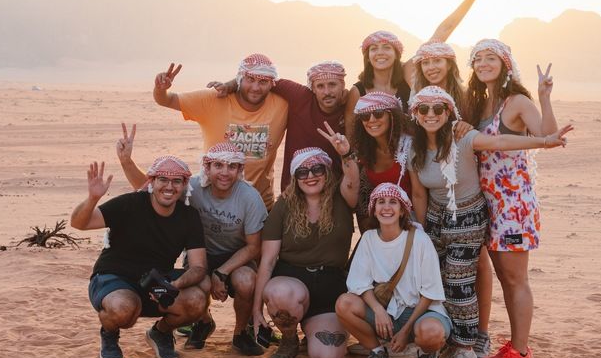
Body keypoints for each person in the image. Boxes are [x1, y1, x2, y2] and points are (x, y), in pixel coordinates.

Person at [406, 86, 571, 358]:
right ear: (416, 115)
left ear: (448, 114)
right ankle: (446, 344)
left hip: (468, 217)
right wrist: (423, 233)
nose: (430, 115)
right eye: (423, 110)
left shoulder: (464, 139)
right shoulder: (415, 150)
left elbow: (501, 141)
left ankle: (466, 349)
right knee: (439, 282)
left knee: (460, 282)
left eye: (437, 109)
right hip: (435, 218)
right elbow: (419, 195)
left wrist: (545, 141)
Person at [116, 129, 268, 356]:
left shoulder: (250, 197)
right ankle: (202, 322)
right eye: (218, 166)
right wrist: (127, 162)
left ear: (239, 170)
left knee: (246, 281)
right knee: (201, 284)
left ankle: (240, 334)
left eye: (232, 167)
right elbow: (152, 190)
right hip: (200, 255)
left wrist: (223, 272)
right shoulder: (194, 187)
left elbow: (254, 246)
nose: (225, 173)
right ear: (207, 167)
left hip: (236, 257)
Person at [464, 39, 559, 358]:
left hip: (514, 206)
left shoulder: (517, 101)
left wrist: (544, 98)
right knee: (504, 277)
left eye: (491, 58)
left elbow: (547, 135)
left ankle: (520, 353)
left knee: (517, 280)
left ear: (505, 64)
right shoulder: (480, 104)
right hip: (488, 204)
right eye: (478, 59)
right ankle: (515, 345)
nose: (484, 63)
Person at [71, 157, 208, 358]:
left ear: (184, 185)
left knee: (198, 299)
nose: (169, 187)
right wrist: (92, 199)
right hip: (115, 277)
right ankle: (109, 335)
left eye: (176, 181)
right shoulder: (130, 203)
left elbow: (198, 266)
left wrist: (173, 286)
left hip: (156, 281)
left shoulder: (188, 216)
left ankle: (161, 332)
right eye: (163, 179)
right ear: (151, 182)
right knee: (124, 308)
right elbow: (79, 223)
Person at [409, 39, 493, 358]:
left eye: (438, 61)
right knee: (440, 272)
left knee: (474, 266)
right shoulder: (417, 94)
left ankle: (477, 335)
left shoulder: (465, 97)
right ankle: (446, 335)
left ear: (450, 64)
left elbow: (482, 138)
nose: (432, 67)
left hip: (467, 192)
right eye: (426, 62)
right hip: (433, 194)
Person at [252, 131, 360, 358]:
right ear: (295, 177)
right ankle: (289, 338)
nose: (310, 176)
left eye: (317, 170)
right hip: (292, 280)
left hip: (330, 285)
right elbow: (268, 261)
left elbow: (352, 180)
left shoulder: (342, 199)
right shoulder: (284, 206)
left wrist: (346, 153)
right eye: (302, 172)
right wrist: (256, 309)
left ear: (327, 172)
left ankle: (312, 332)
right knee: (281, 294)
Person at [343, 0, 489, 137]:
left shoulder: (409, 70)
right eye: (373, 49)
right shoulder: (358, 90)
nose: (380, 53)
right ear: (367, 56)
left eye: (387, 48)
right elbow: (350, 129)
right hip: (379, 158)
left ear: (397, 53)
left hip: (415, 151)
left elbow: (442, 32)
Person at [336, 183, 452, 358]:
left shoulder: (420, 240)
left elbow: (430, 293)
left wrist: (406, 330)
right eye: (381, 202)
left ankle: (427, 352)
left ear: (402, 211)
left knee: (431, 333)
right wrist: (378, 310)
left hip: (418, 312)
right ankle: (378, 352)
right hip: (388, 313)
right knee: (344, 304)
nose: (386, 207)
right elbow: (358, 283)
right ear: (374, 209)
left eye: (393, 202)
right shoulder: (368, 239)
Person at [152, 54, 288, 210]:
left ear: (271, 83)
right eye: (250, 80)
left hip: (260, 204)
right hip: (212, 205)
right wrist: (160, 89)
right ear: (240, 79)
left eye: (263, 82)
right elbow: (167, 100)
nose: (256, 88)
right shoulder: (213, 100)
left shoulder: (282, 105)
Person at [209, 60, 349, 192]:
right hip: (293, 192)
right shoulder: (300, 97)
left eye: (332, 84)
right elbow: (263, 78)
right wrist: (229, 86)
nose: (327, 92)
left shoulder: (351, 109)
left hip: (334, 192)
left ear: (343, 85)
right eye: (320, 86)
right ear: (312, 88)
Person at [348, 91, 413, 233]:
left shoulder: (407, 146)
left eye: (378, 113)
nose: (371, 120)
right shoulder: (364, 152)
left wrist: (418, 231)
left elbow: (420, 194)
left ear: (392, 116)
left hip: (411, 221)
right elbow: (359, 198)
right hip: (382, 224)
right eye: (365, 116)